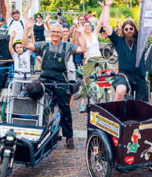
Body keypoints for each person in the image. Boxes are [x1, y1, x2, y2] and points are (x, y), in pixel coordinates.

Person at [22, 17, 86, 149]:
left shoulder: (67, 46)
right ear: (49, 33)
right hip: (45, 78)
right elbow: (26, 45)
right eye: (53, 32)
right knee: (37, 100)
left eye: (58, 32)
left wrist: (82, 33)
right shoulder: (44, 45)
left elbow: (83, 49)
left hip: (61, 81)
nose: (55, 34)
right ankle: (40, 131)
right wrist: (26, 29)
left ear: (62, 33)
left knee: (65, 109)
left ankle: (69, 137)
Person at [102, 0, 149, 103]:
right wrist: (107, 7)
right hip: (124, 75)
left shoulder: (140, 39)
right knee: (120, 91)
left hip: (139, 77)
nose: (129, 31)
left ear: (135, 29)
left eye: (131, 28)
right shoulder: (119, 41)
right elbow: (106, 26)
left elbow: (145, 22)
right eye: (126, 29)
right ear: (123, 30)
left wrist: (142, 4)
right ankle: (116, 116)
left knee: (142, 106)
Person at [79, 13, 107, 112]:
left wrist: (104, 9)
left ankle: (105, 99)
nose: (87, 27)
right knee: (85, 78)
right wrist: (86, 58)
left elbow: (99, 23)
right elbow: (84, 49)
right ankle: (83, 102)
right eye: (85, 26)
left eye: (88, 25)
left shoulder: (94, 34)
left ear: (91, 27)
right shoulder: (82, 37)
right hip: (90, 58)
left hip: (98, 57)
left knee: (105, 75)